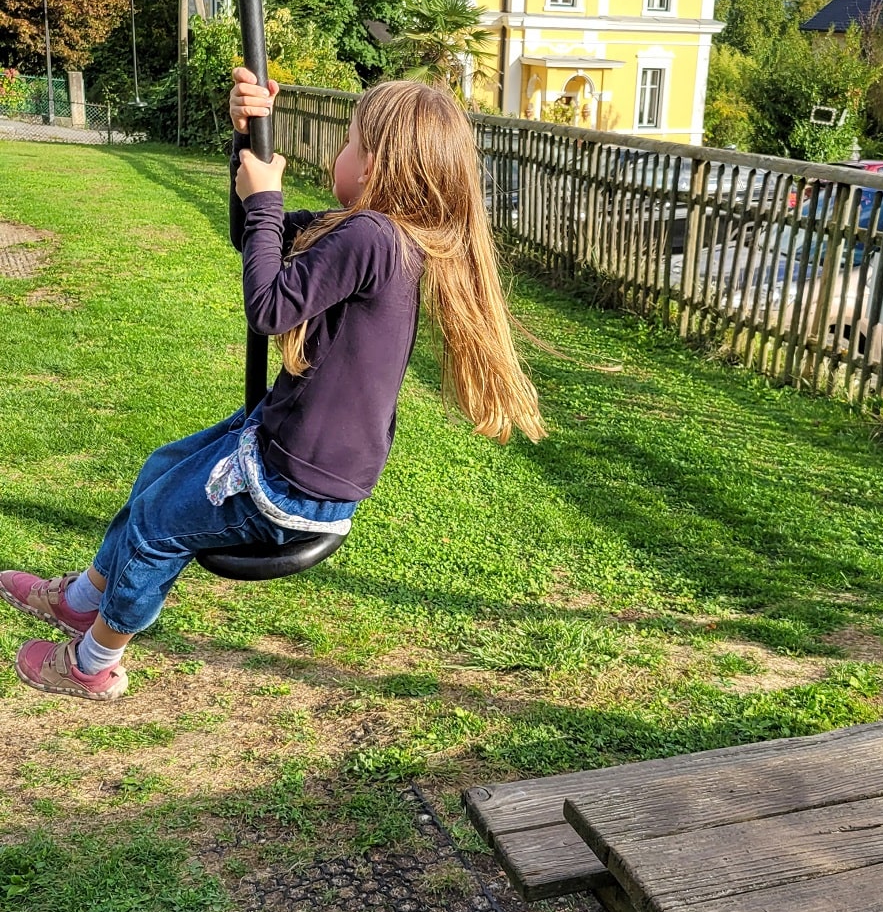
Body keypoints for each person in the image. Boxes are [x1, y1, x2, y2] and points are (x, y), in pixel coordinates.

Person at [1, 69, 545, 701]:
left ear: (374, 166)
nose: (339, 154)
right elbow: (252, 237)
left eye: (349, 142)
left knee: (156, 526)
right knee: (160, 471)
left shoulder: (371, 239)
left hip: (297, 481)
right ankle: (78, 600)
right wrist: (245, 147)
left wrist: (265, 199)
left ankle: (92, 663)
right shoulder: (367, 233)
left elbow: (269, 308)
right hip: (289, 444)